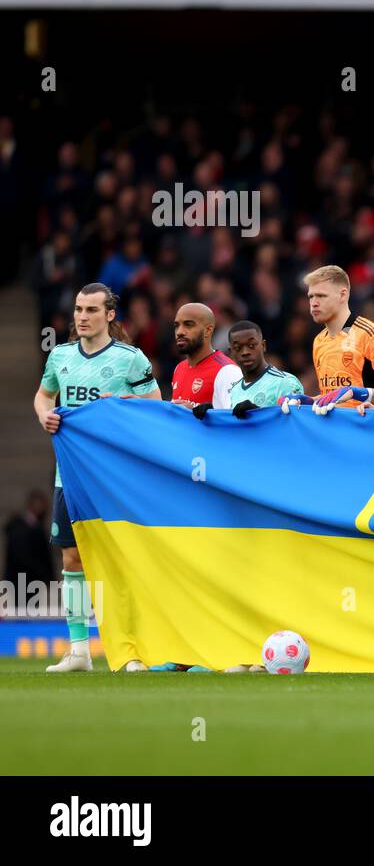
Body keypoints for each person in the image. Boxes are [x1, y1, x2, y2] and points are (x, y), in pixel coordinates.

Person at [33, 282, 161, 672]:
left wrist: (123, 403)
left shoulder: (130, 359)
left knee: (122, 559)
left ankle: (134, 649)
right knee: (72, 558)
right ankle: (78, 651)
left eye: (91, 310)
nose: (82, 317)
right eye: (78, 310)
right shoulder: (60, 356)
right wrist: (44, 414)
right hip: (69, 475)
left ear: (109, 315)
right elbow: (43, 395)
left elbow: (157, 407)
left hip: (114, 476)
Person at [303, 265, 374, 414]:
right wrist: (308, 401)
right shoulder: (319, 341)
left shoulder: (370, 335)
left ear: (343, 295)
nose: (313, 303)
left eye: (321, 296)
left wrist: (359, 393)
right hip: (334, 431)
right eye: (311, 296)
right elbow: (336, 397)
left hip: (365, 431)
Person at [170, 302, 240, 419]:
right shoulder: (179, 368)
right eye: (177, 325)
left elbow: (235, 421)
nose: (180, 332)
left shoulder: (227, 371)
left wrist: (199, 414)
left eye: (189, 325)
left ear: (208, 330)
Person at [225, 320, 305, 413]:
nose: (245, 352)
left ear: (263, 346)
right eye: (238, 348)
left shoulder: (285, 382)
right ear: (231, 353)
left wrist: (258, 413)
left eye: (251, 345)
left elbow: (295, 420)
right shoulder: (234, 390)